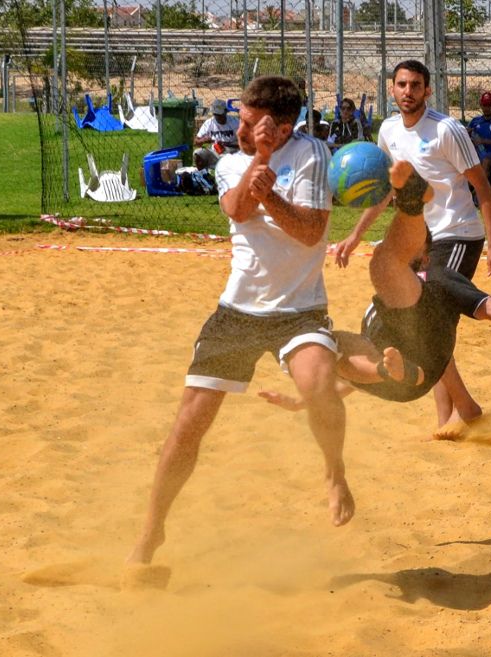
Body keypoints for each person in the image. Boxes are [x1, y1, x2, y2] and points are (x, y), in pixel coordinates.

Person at [128, 76, 352, 568]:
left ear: (283, 124)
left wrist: (273, 193)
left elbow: (312, 234)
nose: (241, 129)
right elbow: (236, 207)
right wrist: (263, 159)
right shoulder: (233, 160)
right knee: (189, 425)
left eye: (252, 123)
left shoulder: (313, 152)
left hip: (299, 311)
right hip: (238, 312)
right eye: (244, 119)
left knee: (318, 385)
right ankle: (151, 530)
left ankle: (334, 471)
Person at [261, 161, 491, 413]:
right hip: (394, 379)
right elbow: (361, 369)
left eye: (415, 248)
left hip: (421, 366)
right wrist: (310, 400)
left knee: (385, 266)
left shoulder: (439, 278)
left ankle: (412, 200)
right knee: (325, 343)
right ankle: (412, 199)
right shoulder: (385, 302)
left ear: (425, 254)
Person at [333, 59, 491, 439]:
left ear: (427, 90)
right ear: (392, 89)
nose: (408, 91)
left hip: (458, 233)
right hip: (420, 239)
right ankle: (458, 412)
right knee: (418, 320)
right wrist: (355, 236)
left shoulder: (447, 130)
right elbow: (384, 192)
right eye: (402, 85)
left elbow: (482, 187)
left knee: (430, 319)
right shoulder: (388, 130)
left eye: (416, 85)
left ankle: (458, 411)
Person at [193, 99, 240, 170]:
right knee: (198, 153)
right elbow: (196, 141)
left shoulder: (235, 122)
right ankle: (202, 175)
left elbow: (245, 143)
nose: (217, 117)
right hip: (215, 152)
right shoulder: (209, 123)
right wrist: (204, 140)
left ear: (225, 112)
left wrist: (227, 144)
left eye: (219, 114)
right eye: (215, 114)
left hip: (232, 152)